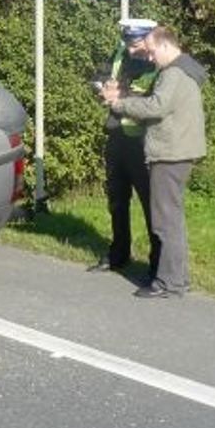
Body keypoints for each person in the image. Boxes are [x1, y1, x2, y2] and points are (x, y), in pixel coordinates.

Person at [103, 25, 207, 298]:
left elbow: (156, 106)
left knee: (165, 222)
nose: (149, 58)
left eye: (151, 52)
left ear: (164, 45)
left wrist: (119, 104)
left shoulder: (174, 73)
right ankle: (176, 278)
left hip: (170, 153)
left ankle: (169, 283)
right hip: (177, 151)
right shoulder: (183, 70)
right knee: (171, 219)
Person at [88, 18, 159, 276]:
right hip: (117, 136)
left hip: (145, 142)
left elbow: (155, 101)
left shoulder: (158, 60)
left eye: (135, 44)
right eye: (127, 43)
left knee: (152, 205)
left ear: (149, 40)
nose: (130, 49)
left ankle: (158, 263)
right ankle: (118, 254)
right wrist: (102, 88)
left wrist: (120, 96)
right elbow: (97, 77)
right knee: (117, 200)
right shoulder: (121, 52)